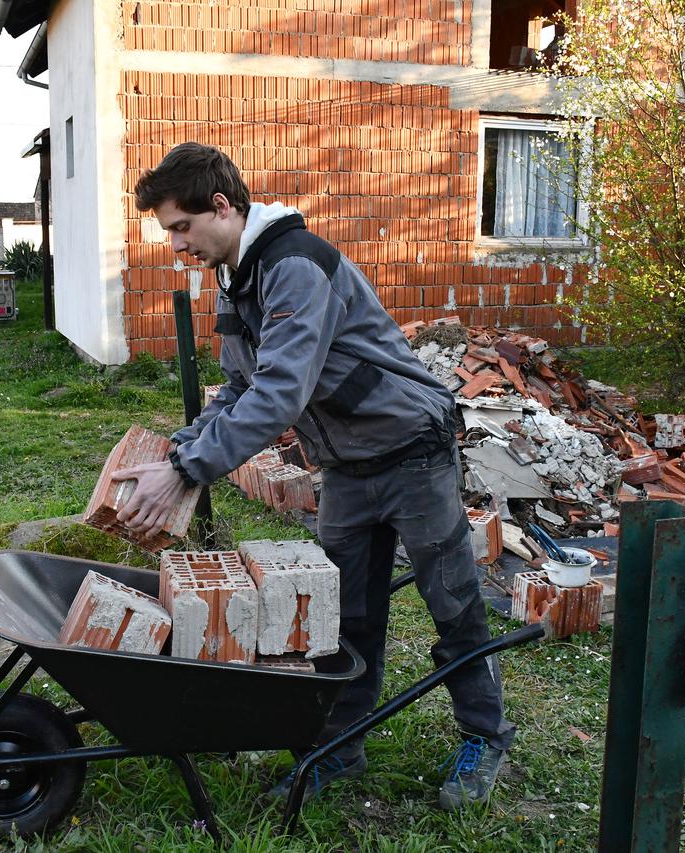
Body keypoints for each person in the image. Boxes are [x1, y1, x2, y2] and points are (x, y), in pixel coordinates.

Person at [112, 142, 514, 810]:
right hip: (347, 466)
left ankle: (485, 736)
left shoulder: (294, 266)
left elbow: (279, 395)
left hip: (412, 450)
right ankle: (340, 746)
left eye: (182, 227)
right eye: (169, 232)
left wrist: (186, 471)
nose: (176, 244)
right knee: (343, 613)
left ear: (222, 205)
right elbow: (239, 387)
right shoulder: (236, 278)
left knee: (451, 602)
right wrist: (179, 450)